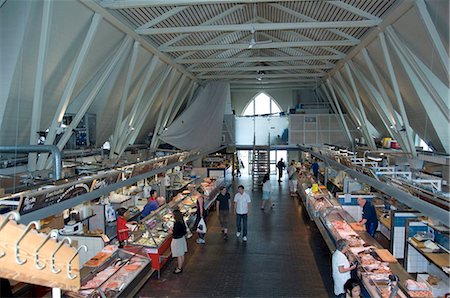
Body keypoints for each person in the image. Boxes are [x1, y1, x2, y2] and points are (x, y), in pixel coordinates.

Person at [170, 209, 187, 274]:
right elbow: (184, 231)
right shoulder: (182, 221)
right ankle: (180, 266)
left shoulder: (177, 223)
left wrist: (171, 231)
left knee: (179, 255)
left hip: (177, 241)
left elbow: (175, 233)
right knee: (182, 254)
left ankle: (179, 269)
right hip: (182, 239)